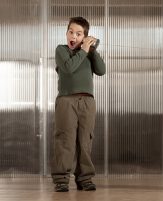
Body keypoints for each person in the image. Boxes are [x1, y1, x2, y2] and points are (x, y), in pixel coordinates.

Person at [51, 16, 106, 192]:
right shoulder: (61, 50)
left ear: (85, 37)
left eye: (79, 33)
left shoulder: (88, 54)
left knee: (85, 140)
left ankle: (85, 178)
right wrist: (83, 50)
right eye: (71, 32)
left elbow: (101, 70)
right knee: (65, 140)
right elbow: (68, 68)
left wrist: (92, 50)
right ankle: (61, 179)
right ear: (67, 33)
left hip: (87, 102)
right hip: (66, 100)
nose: (73, 36)